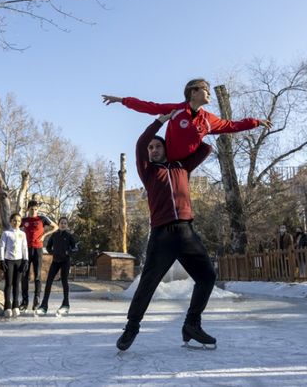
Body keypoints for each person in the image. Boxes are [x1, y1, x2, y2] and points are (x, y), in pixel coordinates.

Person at [116, 113, 217, 351]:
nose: (152, 149)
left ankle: (192, 324)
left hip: (186, 232)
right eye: (151, 147)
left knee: (207, 277)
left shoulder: (182, 165)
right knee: (148, 282)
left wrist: (193, 125)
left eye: (157, 146)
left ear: (166, 148)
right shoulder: (148, 171)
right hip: (162, 235)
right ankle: (132, 327)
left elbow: (205, 148)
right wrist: (160, 122)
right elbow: (140, 143)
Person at [102, 78, 271, 162]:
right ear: (193, 92)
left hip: (186, 165)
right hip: (167, 161)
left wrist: (255, 122)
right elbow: (149, 107)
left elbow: (232, 125)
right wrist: (121, 100)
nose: (209, 93)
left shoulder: (208, 120)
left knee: (207, 148)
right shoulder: (177, 110)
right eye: (206, 90)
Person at [20, 200, 58, 311]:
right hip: (26, 249)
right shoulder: (24, 220)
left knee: (37, 275)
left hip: (38, 249)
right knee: (25, 276)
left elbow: (55, 227)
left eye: (36, 209)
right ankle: (24, 301)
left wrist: (44, 235)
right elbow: (15, 227)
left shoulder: (42, 219)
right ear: (28, 209)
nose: (34, 211)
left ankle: (37, 300)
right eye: (31, 209)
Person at [37, 216, 78, 316]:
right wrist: (53, 252)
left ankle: (65, 305)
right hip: (55, 261)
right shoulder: (54, 235)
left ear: (67, 225)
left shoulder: (69, 236)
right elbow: (48, 247)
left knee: (64, 282)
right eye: (61, 223)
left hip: (65, 261)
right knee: (49, 282)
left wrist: (69, 252)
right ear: (58, 224)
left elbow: (75, 248)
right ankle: (44, 305)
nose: (63, 225)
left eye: (65, 223)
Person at [0, 213, 29, 318]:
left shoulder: (23, 234)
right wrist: (1, 260)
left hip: (19, 261)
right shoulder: (6, 233)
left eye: (19, 221)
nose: (16, 223)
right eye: (14, 220)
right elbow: (2, 247)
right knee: (8, 283)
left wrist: (26, 260)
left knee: (17, 284)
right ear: (11, 221)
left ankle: (15, 305)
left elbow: (25, 247)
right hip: (8, 260)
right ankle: (7, 306)